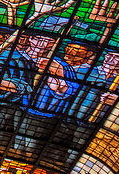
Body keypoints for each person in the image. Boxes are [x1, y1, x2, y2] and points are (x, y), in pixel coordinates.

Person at [15, 34, 80, 164]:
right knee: (17, 144)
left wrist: (58, 75)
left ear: (53, 45)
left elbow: (70, 90)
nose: (41, 44)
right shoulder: (20, 58)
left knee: (30, 149)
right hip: (22, 109)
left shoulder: (61, 66)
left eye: (47, 41)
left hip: (43, 116)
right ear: (30, 39)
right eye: (37, 38)